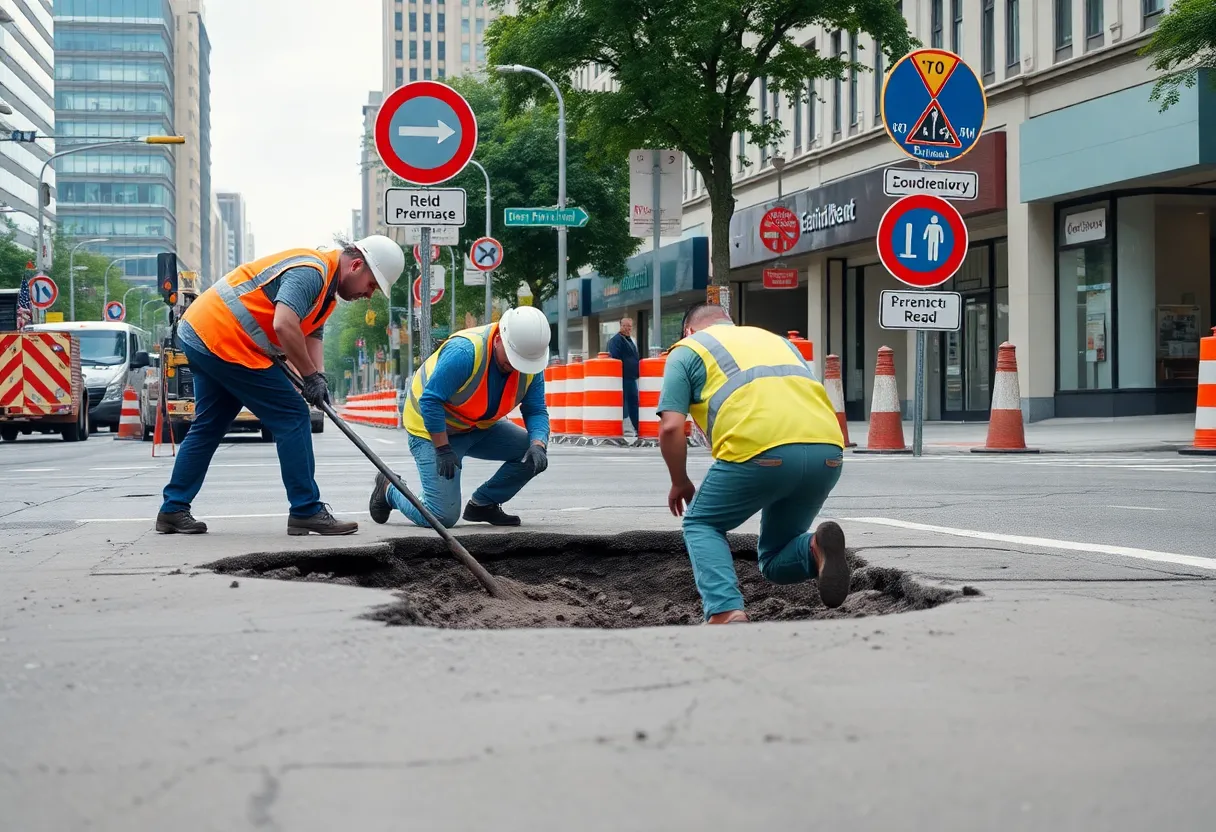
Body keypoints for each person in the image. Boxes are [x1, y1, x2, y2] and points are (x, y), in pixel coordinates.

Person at [155, 236, 405, 536]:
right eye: (372, 284)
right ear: (356, 265)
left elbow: (311, 335)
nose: (369, 294)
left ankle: (172, 509)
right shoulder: (311, 273)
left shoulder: (326, 292)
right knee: (293, 416)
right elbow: (284, 324)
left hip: (203, 334)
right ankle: (306, 510)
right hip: (223, 336)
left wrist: (318, 378)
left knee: (209, 425)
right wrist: (309, 377)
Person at [656, 302, 850, 624]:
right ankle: (815, 548)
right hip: (827, 451)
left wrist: (680, 481)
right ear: (729, 323)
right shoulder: (778, 342)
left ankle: (725, 611)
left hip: (757, 449)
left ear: (688, 331)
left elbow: (671, 427)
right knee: (774, 557)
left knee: (701, 524)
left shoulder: (688, 349)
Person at [369, 305, 552, 529]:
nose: (516, 367)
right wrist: (443, 448)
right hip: (431, 430)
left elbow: (536, 410)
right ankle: (389, 488)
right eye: (511, 359)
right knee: (441, 516)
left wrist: (538, 444)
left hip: (475, 427)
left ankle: (483, 504)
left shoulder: (530, 364)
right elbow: (430, 400)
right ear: (499, 339)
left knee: (531, 453)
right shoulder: (465, 352)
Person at [607, 316, 640, 433]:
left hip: (631, 377)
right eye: (625, 326)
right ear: (620, 326)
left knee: (633, 403)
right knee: (626, 403)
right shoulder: (616, 340)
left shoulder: (630, 340)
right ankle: (622, 428)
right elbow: (615, 359)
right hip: (623, 377)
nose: (627, 328)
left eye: (629, 326)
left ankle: (637, 427)